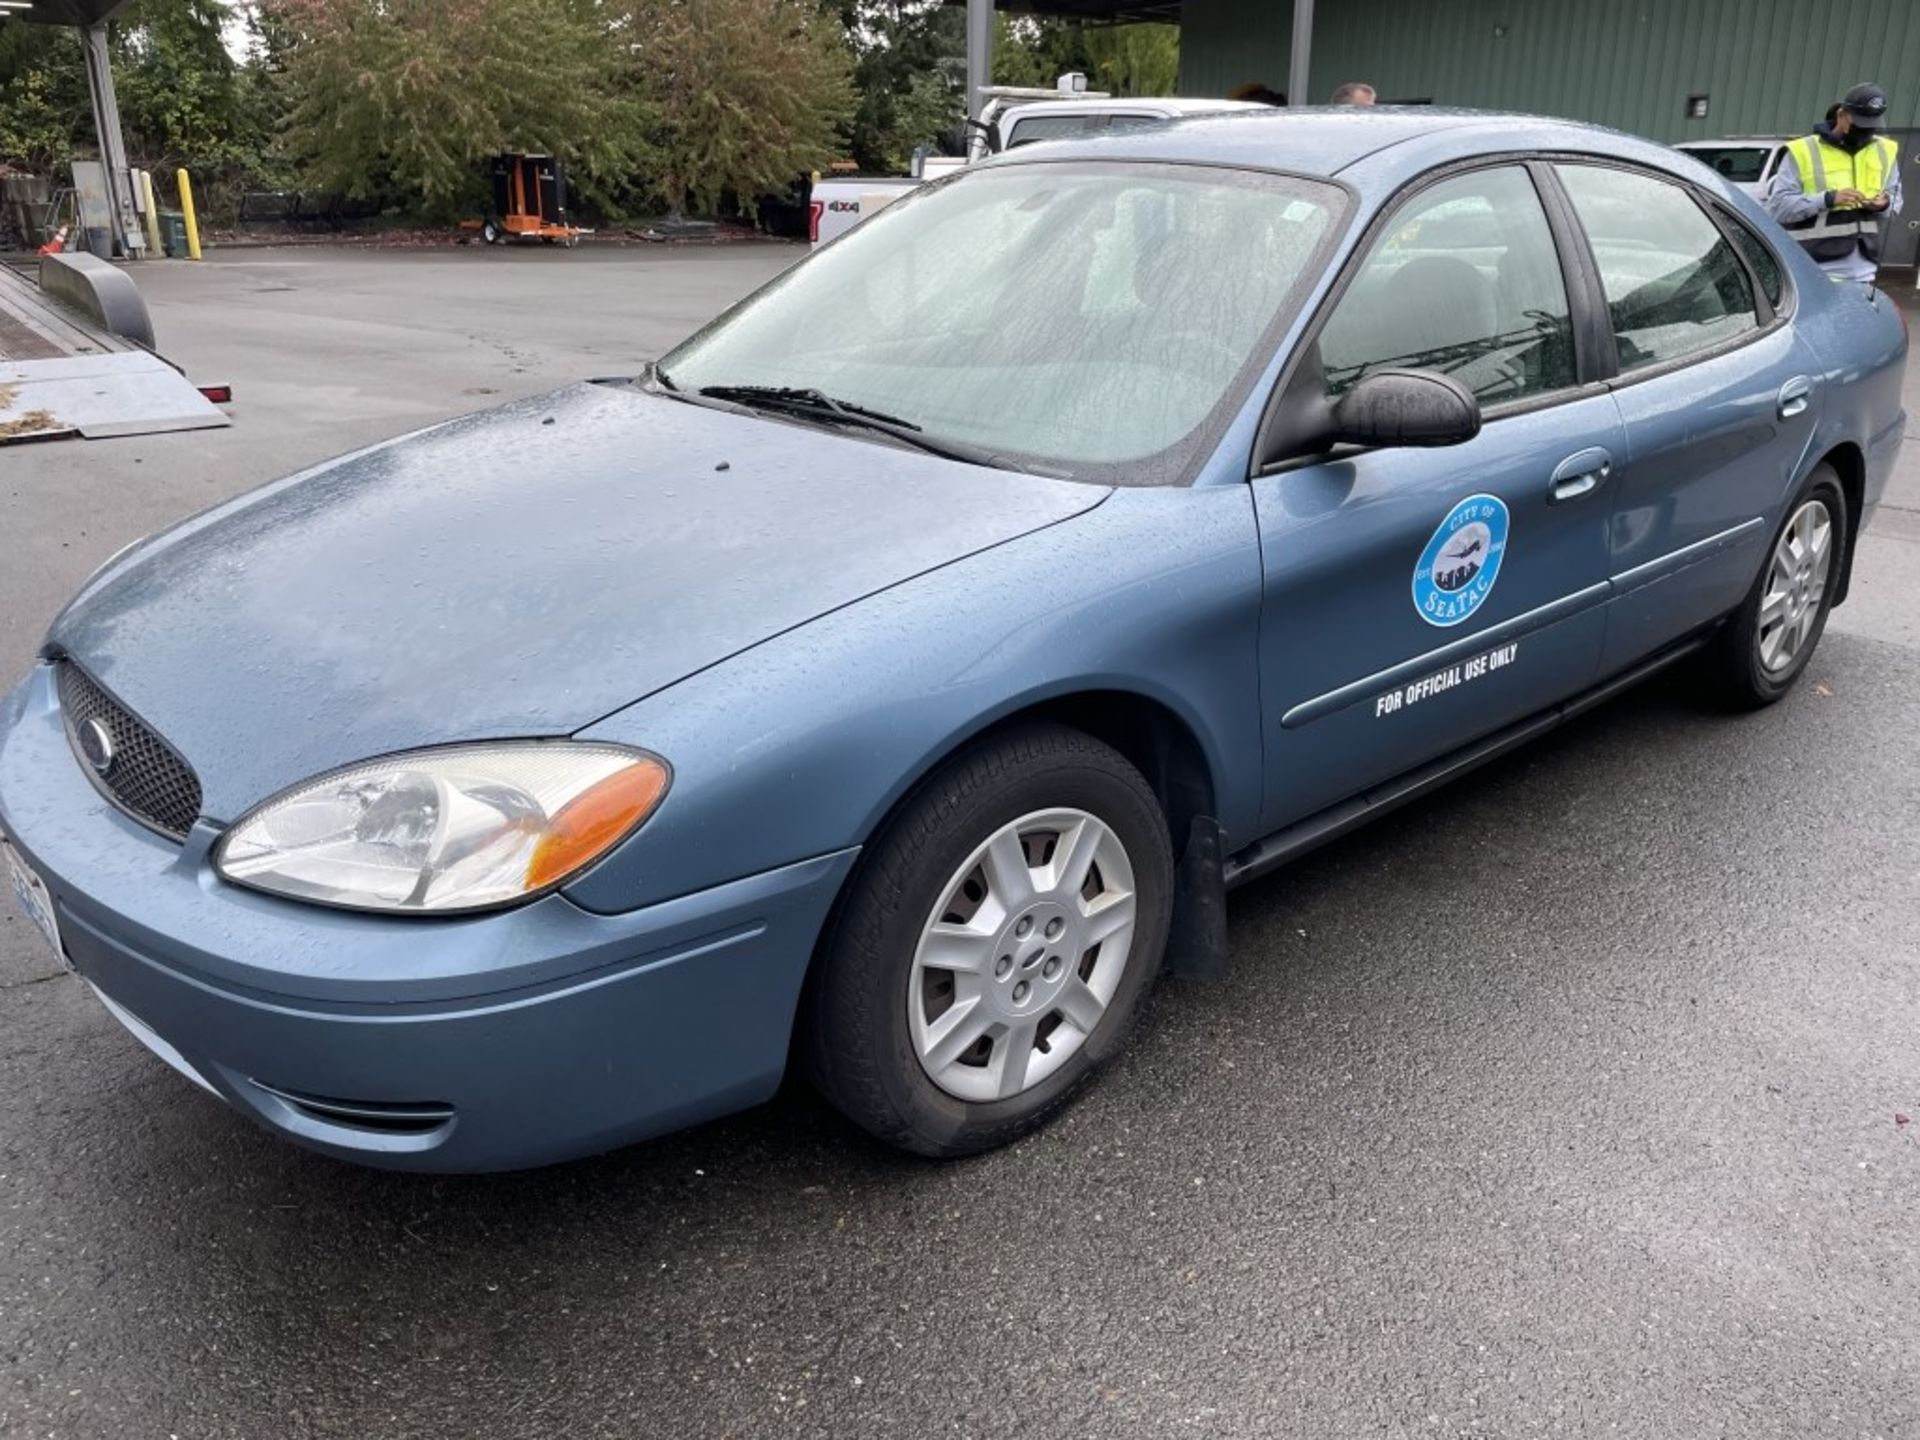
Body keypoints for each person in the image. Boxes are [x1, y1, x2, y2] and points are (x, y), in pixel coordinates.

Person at [1765, 83, 1902, 283]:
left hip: (1864, 269)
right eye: (1860, 124)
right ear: (1842, 115)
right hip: (1813, 266)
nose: (1865, 131)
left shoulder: (1885, 151)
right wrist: (1828, 199)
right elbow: (1778, 208)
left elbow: (1896, 201)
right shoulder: (1804, 150)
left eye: (1871, 125)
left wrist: (1884, 204)